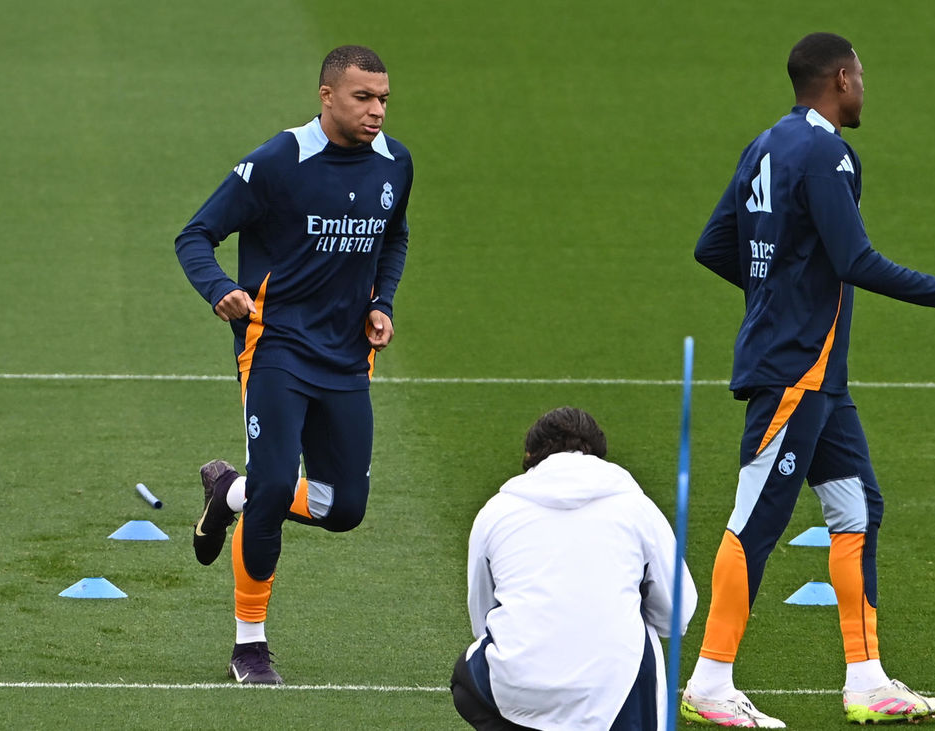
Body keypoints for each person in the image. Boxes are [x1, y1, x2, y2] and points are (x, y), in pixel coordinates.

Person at [682, 32, 935, 727]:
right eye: (862, 79)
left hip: (819, 377)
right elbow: (854, 259)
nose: (864, 90)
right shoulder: (829, 153)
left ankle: (866, 678)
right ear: (843, 79)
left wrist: (777, 286)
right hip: (797, 369)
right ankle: (709, 680)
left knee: (856, 509)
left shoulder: (765, 145)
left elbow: (715, 245)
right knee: (754, 519)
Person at [174, 45, 413, 685]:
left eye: (384, 98)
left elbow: (394, 236)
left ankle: (227, 491)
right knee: (276, 485)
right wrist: (219, 288)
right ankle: (249, 647)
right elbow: (196, 234)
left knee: (344, 508)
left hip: (346, 358)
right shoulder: (278, 162)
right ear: (326, 96)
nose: (377, 111)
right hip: (274, 346)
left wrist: (381, 303)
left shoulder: (396, 164)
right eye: (363, 97)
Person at [451, 407, 698, 730]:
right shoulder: (636, 508)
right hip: (615, 696)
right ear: (597, 454)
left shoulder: (495, 512)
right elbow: (677, 615)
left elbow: (483, 620)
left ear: (531, 457)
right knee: (641, 629)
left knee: (467, 682)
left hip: (519, 690)